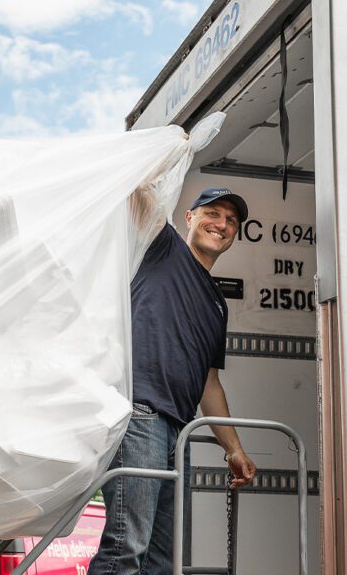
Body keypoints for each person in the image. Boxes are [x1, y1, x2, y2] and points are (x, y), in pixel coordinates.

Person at [88, 187, 258, 575]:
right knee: (126, 548)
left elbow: (209, 384)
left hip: (177, 433)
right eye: (213, 214)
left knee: (163, 561)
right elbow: (135, 188)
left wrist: (234, 448)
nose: (222, 225)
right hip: (140, 416)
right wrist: (174, 144)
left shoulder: (217, 303)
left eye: (231, 221)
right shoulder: (163, 247)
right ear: (189, 218)